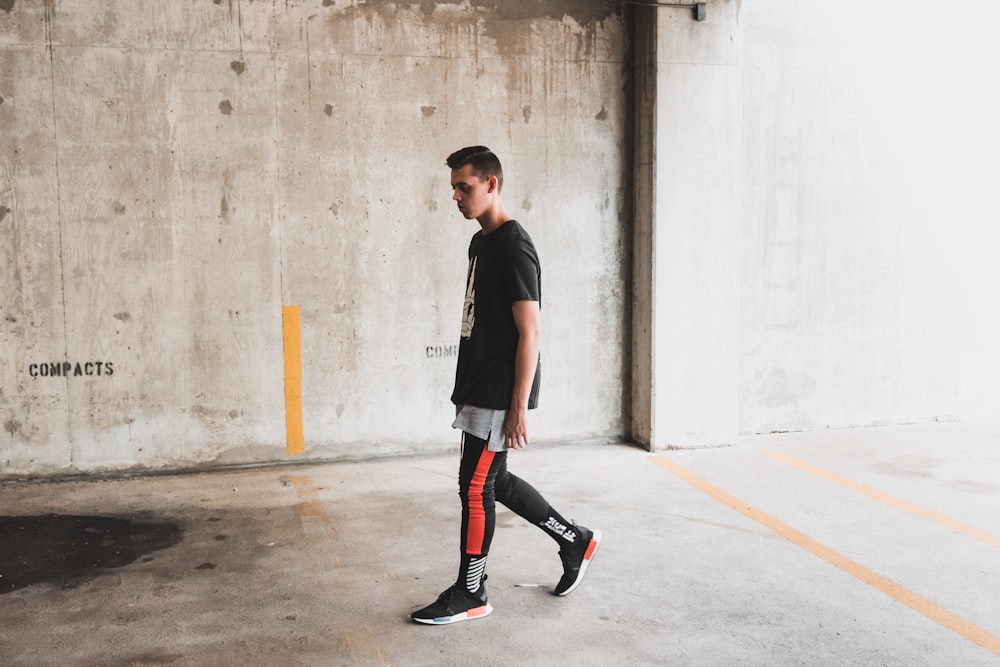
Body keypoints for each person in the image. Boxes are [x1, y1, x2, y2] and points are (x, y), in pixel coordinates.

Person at [411, 146, 602, 625]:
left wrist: (518, 406)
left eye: (465, 187)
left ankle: (470, 593)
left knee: (474, 489)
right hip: (479, 383)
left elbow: (530, 331)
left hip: (500, 390)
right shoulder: (481, 243)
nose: (456, 196)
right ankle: (574, 538)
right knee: (494, 481)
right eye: (453, 187)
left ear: (491, 184)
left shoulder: (515, 246)